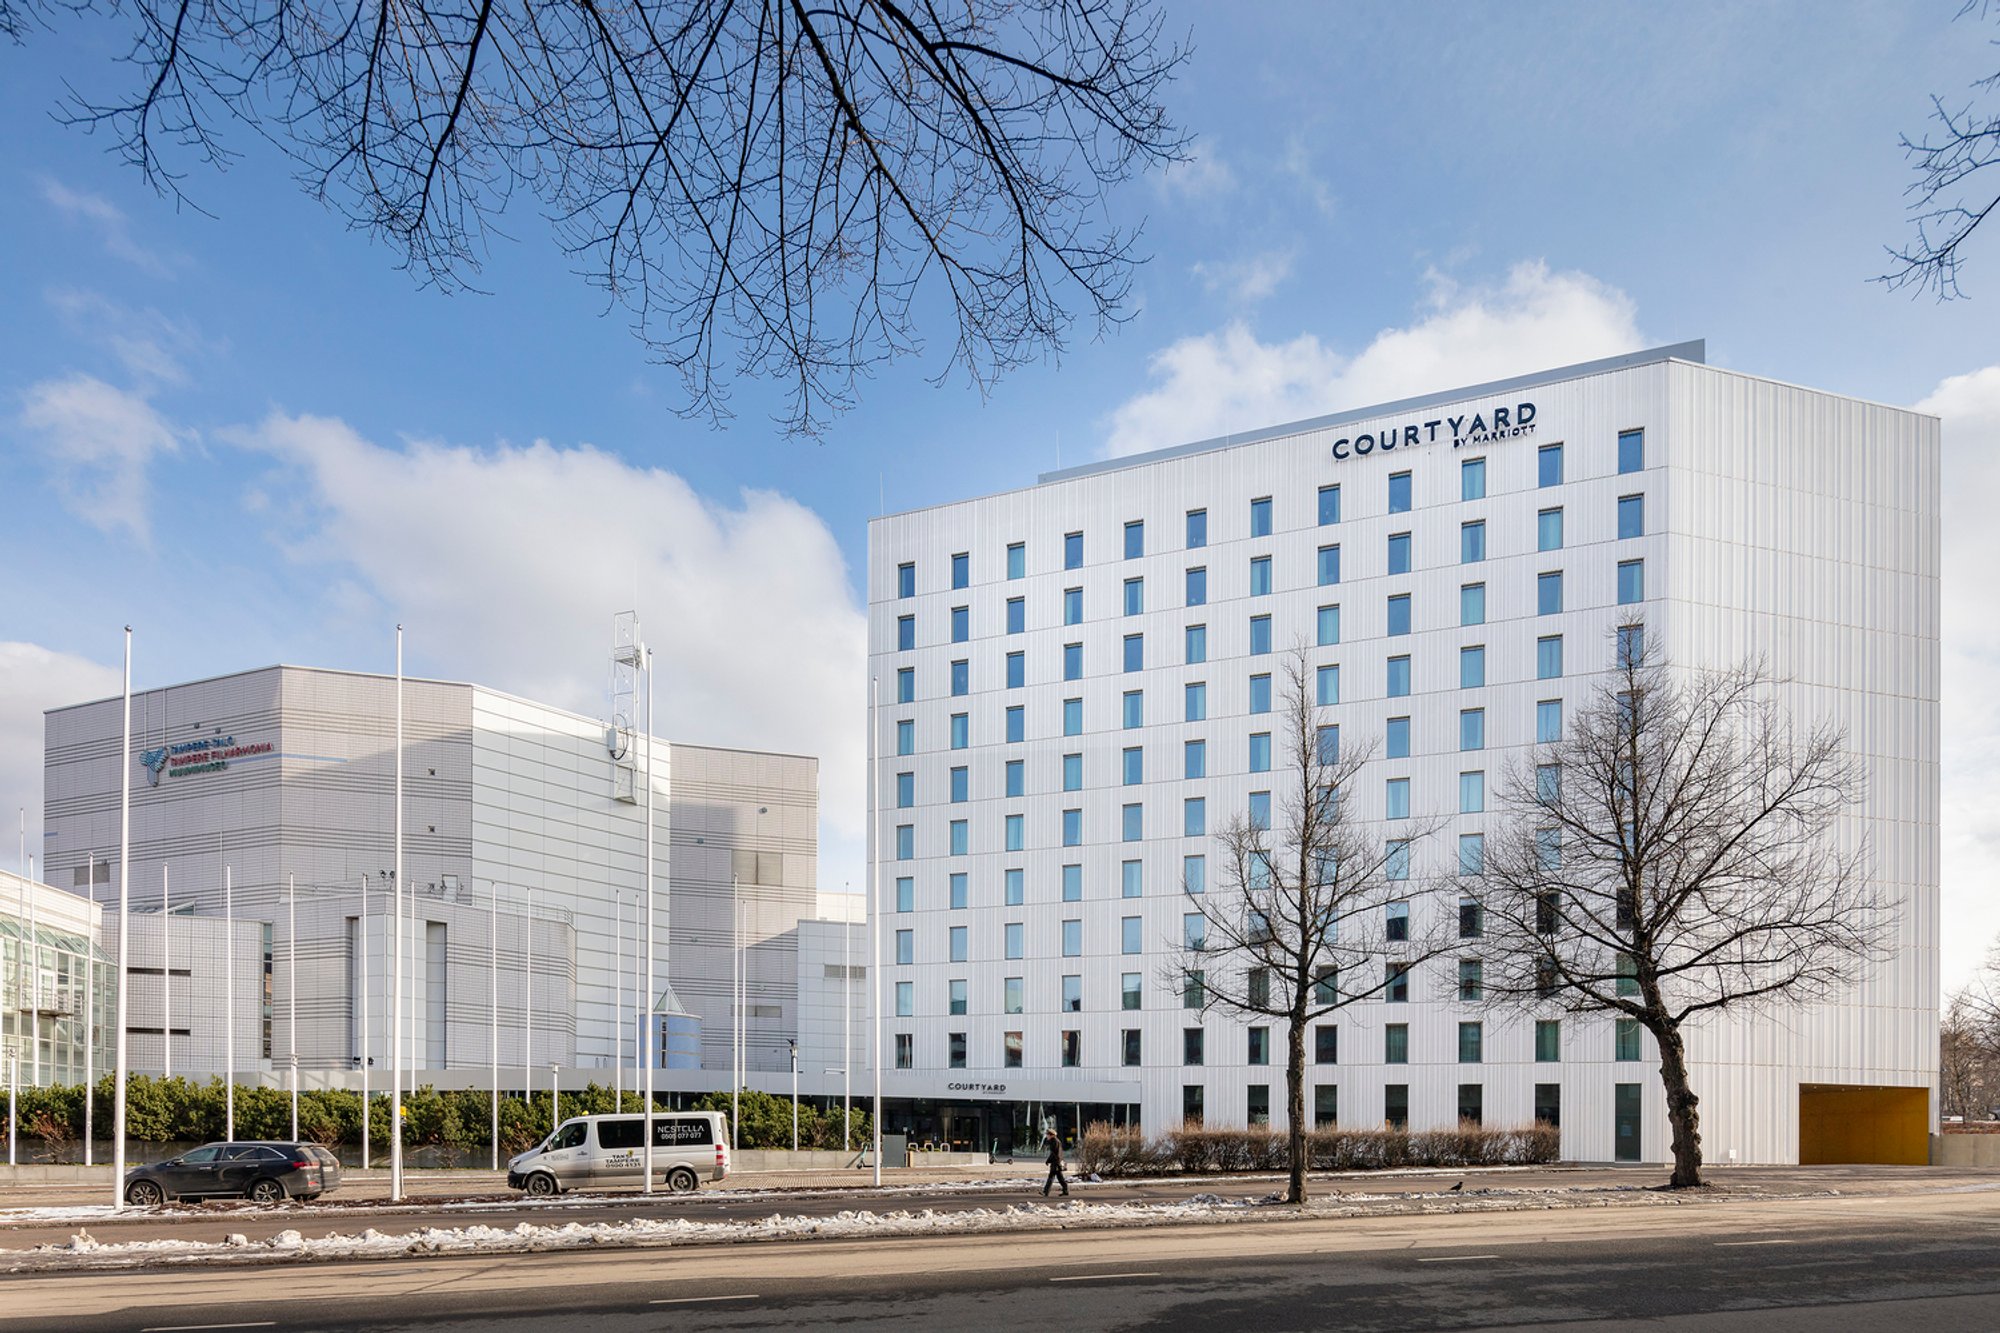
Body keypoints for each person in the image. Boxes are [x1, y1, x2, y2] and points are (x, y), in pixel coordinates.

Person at [1041, 1129, 1069, 1197]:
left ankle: (1045, 1192)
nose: (1046, 1136)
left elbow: (1054, 1153)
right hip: (1057, 1161)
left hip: (1056, 1162)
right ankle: (1065, 1190)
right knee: (1060, 1177)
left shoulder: (1055, 1142)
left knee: (1051, 1177)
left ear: (1051, 1135)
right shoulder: (1055, 1141)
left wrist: (1048, 1160)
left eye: (1047, 1134)